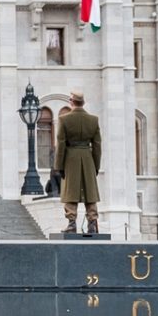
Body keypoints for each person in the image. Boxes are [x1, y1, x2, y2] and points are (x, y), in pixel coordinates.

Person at [55, 91, 103, 234]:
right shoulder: (93, 120)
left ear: (71, 101)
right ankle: (92, 223)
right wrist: (96, 165)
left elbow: (61, 144)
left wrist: (59, 165)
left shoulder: (64, 119)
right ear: (83, 102)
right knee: (90, 192)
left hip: (70, 158)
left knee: (70, 191)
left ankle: (71, 223)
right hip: (88, 158)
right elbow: (97, 145)